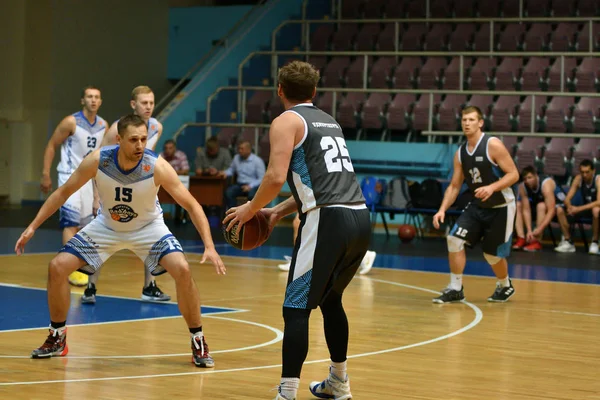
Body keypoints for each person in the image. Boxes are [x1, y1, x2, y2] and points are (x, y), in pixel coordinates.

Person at [16, 114, 226, 367]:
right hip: (107, 226)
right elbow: (62, 193)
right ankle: (58, 336)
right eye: (134, 140)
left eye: (144, 139)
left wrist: (210, 245)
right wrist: (31, 227)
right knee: (57, 267)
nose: (140, 145)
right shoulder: (98, 160)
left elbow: (191, 204)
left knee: (182, 269)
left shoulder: (155, 165)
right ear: (119, 140)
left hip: (148, 228)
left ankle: (198, 339)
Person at [223, 61, 370, 400]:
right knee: (332, 301)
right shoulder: (328, 121)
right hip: (359, 217)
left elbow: (275, 177)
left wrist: (251, 208)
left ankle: (287, 393)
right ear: (314, 92)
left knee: (296, 308)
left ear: (279, 90)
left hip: (327, 221)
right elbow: (319, 184)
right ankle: (339, 382)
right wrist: (275, 211)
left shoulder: (286, 121)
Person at [432, 106, 519, 304]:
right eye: (464, 120)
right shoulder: (460, 153)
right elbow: (454, 186)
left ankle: (505, 285)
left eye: (471, 120)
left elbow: (514, 174)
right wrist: (442, 209)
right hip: (478, 205)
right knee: (453, 239)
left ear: (480, 123)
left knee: (491, 255)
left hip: (502, 206)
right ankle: (455, 288)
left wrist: (492, 188)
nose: (467, 123)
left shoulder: (493, 144)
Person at [91, 85, 168, 303]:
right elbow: (98, 161)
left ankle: (149, 286)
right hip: (114, 189)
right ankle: (91, 285)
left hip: (142, 190)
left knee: (152, 235)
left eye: (152, 103)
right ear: (133, 104)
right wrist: (97, 196)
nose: (149, 107)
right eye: (144, 103)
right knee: (101, 238)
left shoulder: (157, 127)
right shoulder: (117, 129)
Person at [40, 86, 107, 288]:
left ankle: (81, 264)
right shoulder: (71, 122)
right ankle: (71, 269)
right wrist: (45, 173)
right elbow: (52, 144)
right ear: (82, 100)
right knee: (71, 222)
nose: (93, 100)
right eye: (89, 97)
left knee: (86, 225)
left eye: (96, 97)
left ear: (100, 101)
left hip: (89, 179)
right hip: (69, 176)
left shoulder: (104, 125)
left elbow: (102, 158)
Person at [277, 213, 377, 275]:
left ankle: (298, 262)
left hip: (323, 191)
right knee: (302, 223)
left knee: (301, 223)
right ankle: (298, 261)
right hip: (319, 191)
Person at [554, 159, 600, 254]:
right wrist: (570, 207)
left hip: (596, 210)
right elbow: (567, 198)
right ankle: (568, 241)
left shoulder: (598, 180)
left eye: (587, 172)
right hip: (585, 210)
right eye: (582, 172)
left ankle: (595, 242)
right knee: (559, 209)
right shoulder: (579, 179)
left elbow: (599, 202)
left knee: (596, 210)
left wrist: (578, 209)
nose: (584, 175)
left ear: (593, 171)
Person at [512, 166, 557, 252]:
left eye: (530, 177)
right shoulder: (522, 186)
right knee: (517, 204)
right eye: (525, 179)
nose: (527, 181)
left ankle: (537, 241)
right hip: (535, 209)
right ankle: (521, 238)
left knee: (541, 205)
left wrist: (539, 229)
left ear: (536, 176)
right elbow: (526, 210)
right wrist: (529, 230)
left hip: (554, 208)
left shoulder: (546, 184)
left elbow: (552, 210)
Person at [220, 141, 265, 209]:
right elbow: (231, 170)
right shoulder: (236, 158)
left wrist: (250, 186)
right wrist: (224, 173)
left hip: (253, 186)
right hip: (240, 185)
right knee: (229, 193)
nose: (239, 151)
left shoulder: (257, 161)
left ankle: (251, 217)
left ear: (249, 150)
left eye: (242, 149)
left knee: (252, 196)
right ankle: (233, 214)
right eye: (239, 149)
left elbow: (262, 178)